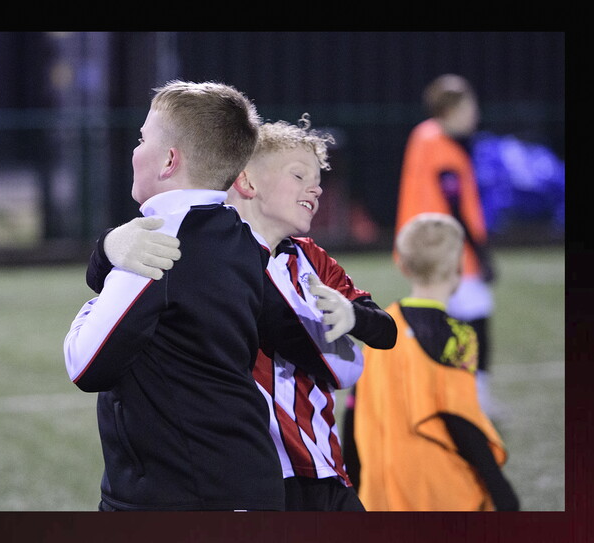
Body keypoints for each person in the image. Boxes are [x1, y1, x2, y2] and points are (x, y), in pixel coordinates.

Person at [88, 115, 397, 511]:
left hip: (320, 465)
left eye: (318, 178)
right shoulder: (213, 251)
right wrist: (108, 245)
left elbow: (385, 332)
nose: (316, 188)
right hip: (247, 472)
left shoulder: (312, 260)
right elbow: (334, 361)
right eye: (299, 176)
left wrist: (352, 316)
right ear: (247, 181)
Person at [62, 80, 286, 511]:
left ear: (168, 160)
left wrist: (97, 297)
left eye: (143, 139)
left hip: (184, 494)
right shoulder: (241, 236)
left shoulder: (157, 243)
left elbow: (85, 364)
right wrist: (108, 250)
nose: (134, 150)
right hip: (244, 479)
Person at [353, 212, 518, 511]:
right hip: (440, 490)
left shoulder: (380, 326)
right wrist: (499, 486)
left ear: (401, 264)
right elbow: (461, 419)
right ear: (457, 267)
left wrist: (353, 480)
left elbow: (353, 410)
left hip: (383, 492)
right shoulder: (459, 335)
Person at [394, 73, 498, 412]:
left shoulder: (422, 136)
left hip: (423, 245)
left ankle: (433, 394)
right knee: (476, 317)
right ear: (452, 108)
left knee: (437, 319)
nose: (474, 114)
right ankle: (474, 395)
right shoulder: (440, 145)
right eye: (469, 107)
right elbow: (455, 205)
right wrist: (482, 255)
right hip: (449, 249)